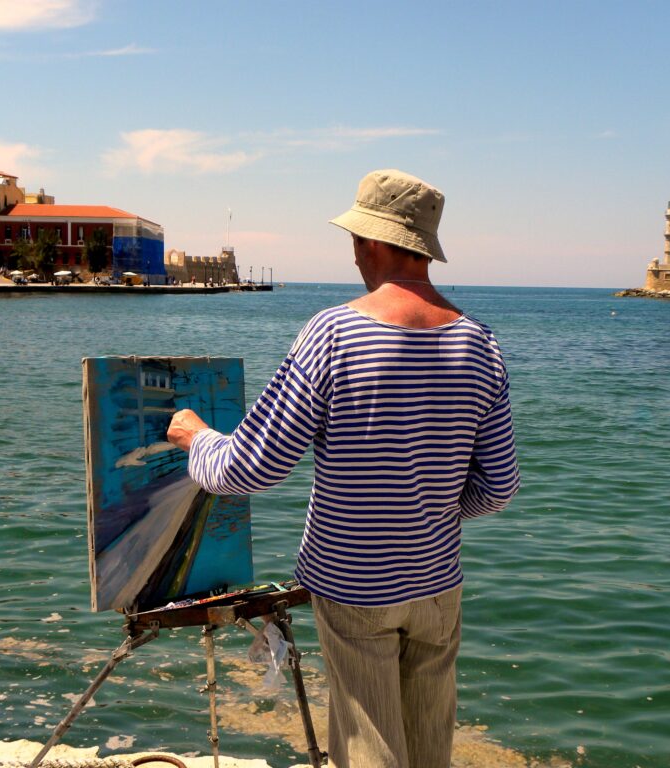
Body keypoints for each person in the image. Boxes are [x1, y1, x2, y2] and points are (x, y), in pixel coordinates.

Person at [167, 169, 520, 768]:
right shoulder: (478, 342)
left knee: (368, 745)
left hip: (353, 582)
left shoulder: (335, 332)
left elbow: (253, 467)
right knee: (430, 740)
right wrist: (427, 507)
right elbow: (498, 488)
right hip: (437, 583)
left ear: (375, 244)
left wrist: (195, 437)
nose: (354, 253)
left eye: (357, 240)